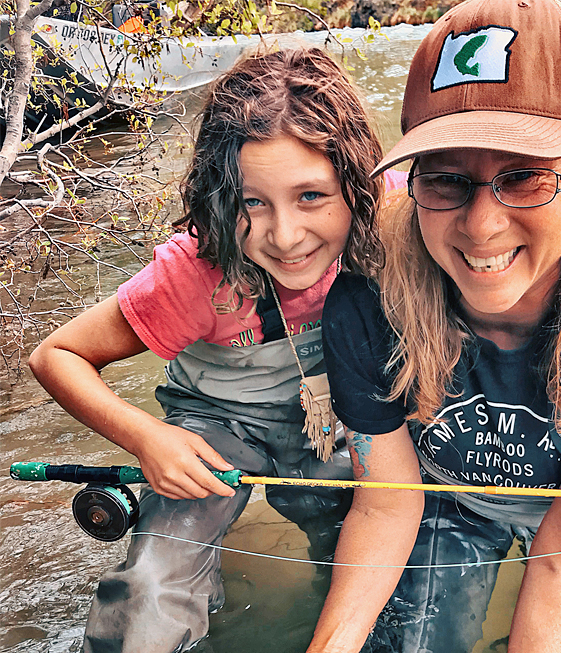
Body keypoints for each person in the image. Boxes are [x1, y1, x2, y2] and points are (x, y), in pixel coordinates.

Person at [312, 1, 561, 652]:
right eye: (446, 179)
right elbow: (385, 504)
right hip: (446, 494)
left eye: (523, 175)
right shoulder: (366, 298)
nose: (481, 225)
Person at [28, 47, 397, 653]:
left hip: (340, 421)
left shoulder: (394, 221)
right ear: (219, 199)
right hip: (214, 429)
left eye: (311, 196)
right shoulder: (190, 273)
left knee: (371, 569)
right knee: (151, 592)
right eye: (252, 202)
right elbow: (56, 355)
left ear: (358, 186)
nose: (286, 236)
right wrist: (148, 439)